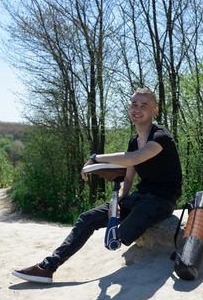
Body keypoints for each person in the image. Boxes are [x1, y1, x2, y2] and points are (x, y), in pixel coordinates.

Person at [12, 87, 182, 283]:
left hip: (162, 199)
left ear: (155, 111)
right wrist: (118, 201)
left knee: (127, 228)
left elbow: (133, 158)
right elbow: (128, 178)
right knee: (87, 218)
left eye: (144, 105)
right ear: (129, 107)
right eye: (134, 104)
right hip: (140, 197)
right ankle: (47, 267)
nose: (137, 108)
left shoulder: (160, 136)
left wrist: (95, 159)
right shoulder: (134, 141)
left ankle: (118, 235)